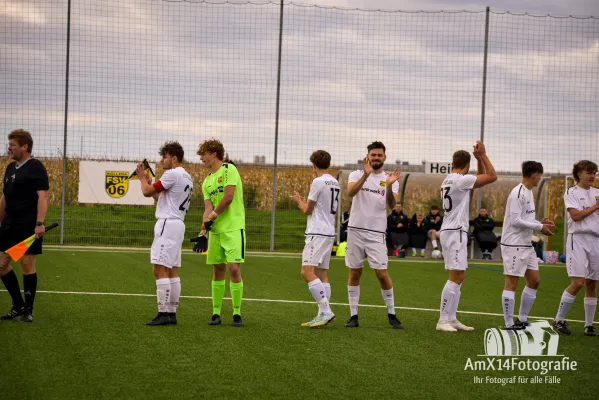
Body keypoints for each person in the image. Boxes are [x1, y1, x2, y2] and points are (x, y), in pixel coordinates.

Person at [436, 141, 497, 332]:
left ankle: (451, 318)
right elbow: (492, 176)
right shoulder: (460, 181)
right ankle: (442, 320)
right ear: (467, 165)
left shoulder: (449, 179)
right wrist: (484, 155)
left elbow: (480, 177)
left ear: (452, 163)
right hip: (454, 231)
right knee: (456, 276)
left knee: (459, 276)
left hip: (452, 230)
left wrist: (478, 159)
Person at [344, 141, 403, 329]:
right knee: (355, 272)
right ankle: (353, 316)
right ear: (367, 156)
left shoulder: (390, 178)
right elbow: (350, 193)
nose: (376, 158)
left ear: (384, 157)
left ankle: (392, 314)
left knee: (382, 274)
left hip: (377, 232)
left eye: (379, 155)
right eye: (373, 155)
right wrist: (366, 174)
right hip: (355, 230)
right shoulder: (356, 174)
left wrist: (388, 186)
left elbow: (392, 205)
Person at [137, 141, 192, 326]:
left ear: (174, 158)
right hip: (178, 224)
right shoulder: (187, 176)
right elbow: (162, 197)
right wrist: (152, 187)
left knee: (159, 269)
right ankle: (171, 313)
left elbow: (145, 192)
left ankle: (163, 312)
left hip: (167, 224)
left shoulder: (172, 173)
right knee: (172, 270)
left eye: (165, 157)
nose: (162, 160)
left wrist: (142, 179)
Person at [0, 129, 49, 323]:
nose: (9, 148)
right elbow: (5, 197)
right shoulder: (10, 168)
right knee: (1, 266)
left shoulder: (36, 167)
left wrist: (39, 223)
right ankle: (18, 304)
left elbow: (42, 197)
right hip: (8, 225)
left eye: (12, 144)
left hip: (27, 226)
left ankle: (28, 309)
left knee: (27, 265)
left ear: (24, 147)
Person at [196, 139, 246, 327]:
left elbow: (229, 197)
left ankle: (237, 313)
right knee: (217, 270)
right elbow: (207, 209)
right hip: (216, 232)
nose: (201, 158)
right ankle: (216, 313)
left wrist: (213, 216)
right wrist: (203, 231)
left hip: (233, 228)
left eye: (203, 154)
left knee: (234, 269)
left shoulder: (229, 170)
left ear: (214, 154)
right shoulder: (207, 181)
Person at [500, 161, 554, 330]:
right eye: (540, 174)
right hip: (513, 244)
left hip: (525, 243)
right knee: (512, 282)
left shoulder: (529, 192)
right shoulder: (518, 193)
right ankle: (509, 324)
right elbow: (515, 221)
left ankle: (522, 319)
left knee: (534, 280)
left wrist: (539, 222)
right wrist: (539, 227)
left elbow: (525, 219)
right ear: (534, 175)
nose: (541, 178)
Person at [290, 150, 338, 328]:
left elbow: (307, 210)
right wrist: (304, 201)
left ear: (314, 165)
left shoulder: (317, 182)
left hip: (317, 232)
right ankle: (322, 315)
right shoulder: (335, 182)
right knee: (322, 274)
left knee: (306, 271)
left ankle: (326, 311)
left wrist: (298, 201)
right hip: (329, 232)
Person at [553, 160, 599, 336]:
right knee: (578, 282)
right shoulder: (571, 192)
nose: (593, 176)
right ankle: (558, 320)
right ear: (579, 174)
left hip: (595, 241)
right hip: (577, 240)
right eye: (589, 173)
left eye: (594, 173)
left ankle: (589, 325)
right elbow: (576, 216)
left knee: (592, 283)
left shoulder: (597, 192)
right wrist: (595, 207)